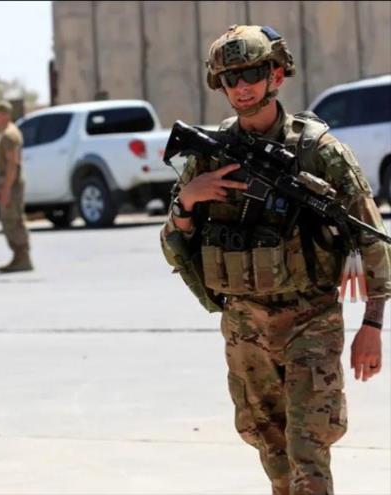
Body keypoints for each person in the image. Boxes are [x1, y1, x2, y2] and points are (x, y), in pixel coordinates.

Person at [160, 25, 390, 494]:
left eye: (252, 73)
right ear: (219, 86)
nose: (242, 87)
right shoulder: (209, 153)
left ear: (277, 75)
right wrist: (189, 198)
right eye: (230, 79)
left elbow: (373, 242)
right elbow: (173, 243)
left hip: (311, 323)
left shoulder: (319, 152)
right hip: (245, 328)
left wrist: (372, 325)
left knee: (308, 452)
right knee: (273, 453)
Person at [0, 101, 32, 272]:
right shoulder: (6, 133)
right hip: (8, 181)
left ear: (4, 115)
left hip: (11, 183)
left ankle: (22, 258)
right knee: (10, 219)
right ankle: (18, 257)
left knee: (13, 220)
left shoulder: (9, 135)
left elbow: (12, 164)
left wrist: (6, 189)